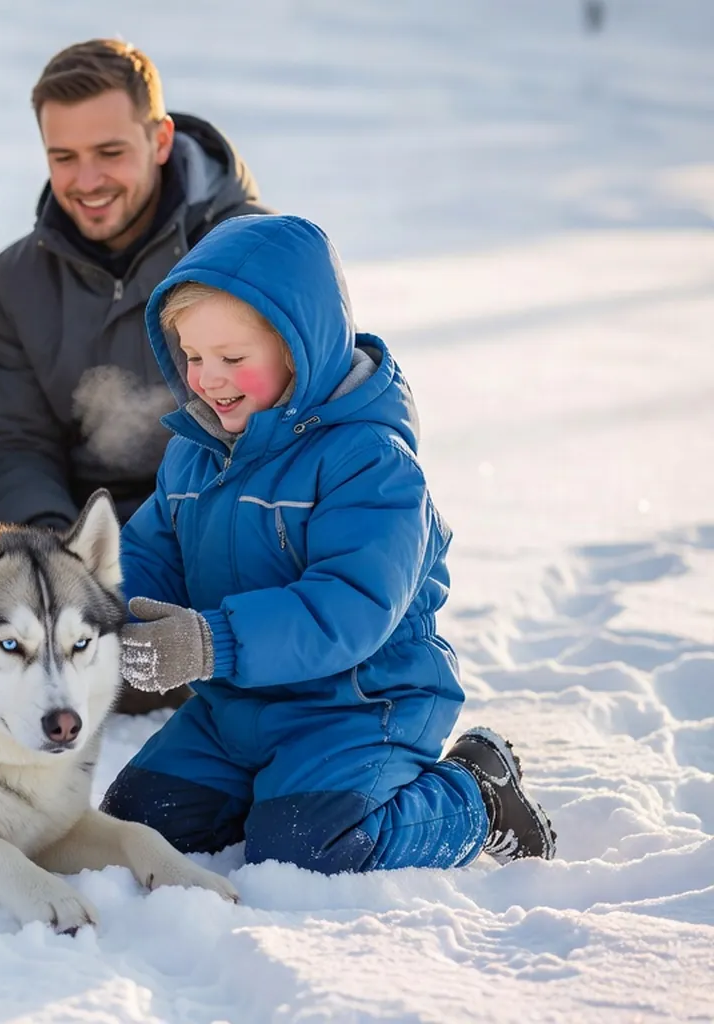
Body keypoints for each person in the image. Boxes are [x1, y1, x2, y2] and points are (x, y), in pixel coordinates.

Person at [99, 214, 557, 872]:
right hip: (237, 710)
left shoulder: (369, 462)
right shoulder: (195, 456)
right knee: (134, 831)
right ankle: (267, 792)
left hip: (358, 707)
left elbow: (349, 605)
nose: (208, 378)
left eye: (233, 358)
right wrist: (103, 610)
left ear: (298, 349)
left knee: (309, 848)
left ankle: (473, 794)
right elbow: (149, 557)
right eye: (193, 356)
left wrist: (208, 642)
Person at [0, 39, 270, 713]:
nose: (86, 180)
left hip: (229, 537)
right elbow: (18, 441)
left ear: (160, 139)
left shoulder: (247, 251)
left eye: (110, 153)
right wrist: (60, 560)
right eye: (63, 158)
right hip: (93, 545)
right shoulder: (18, 279)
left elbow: (296, 426)